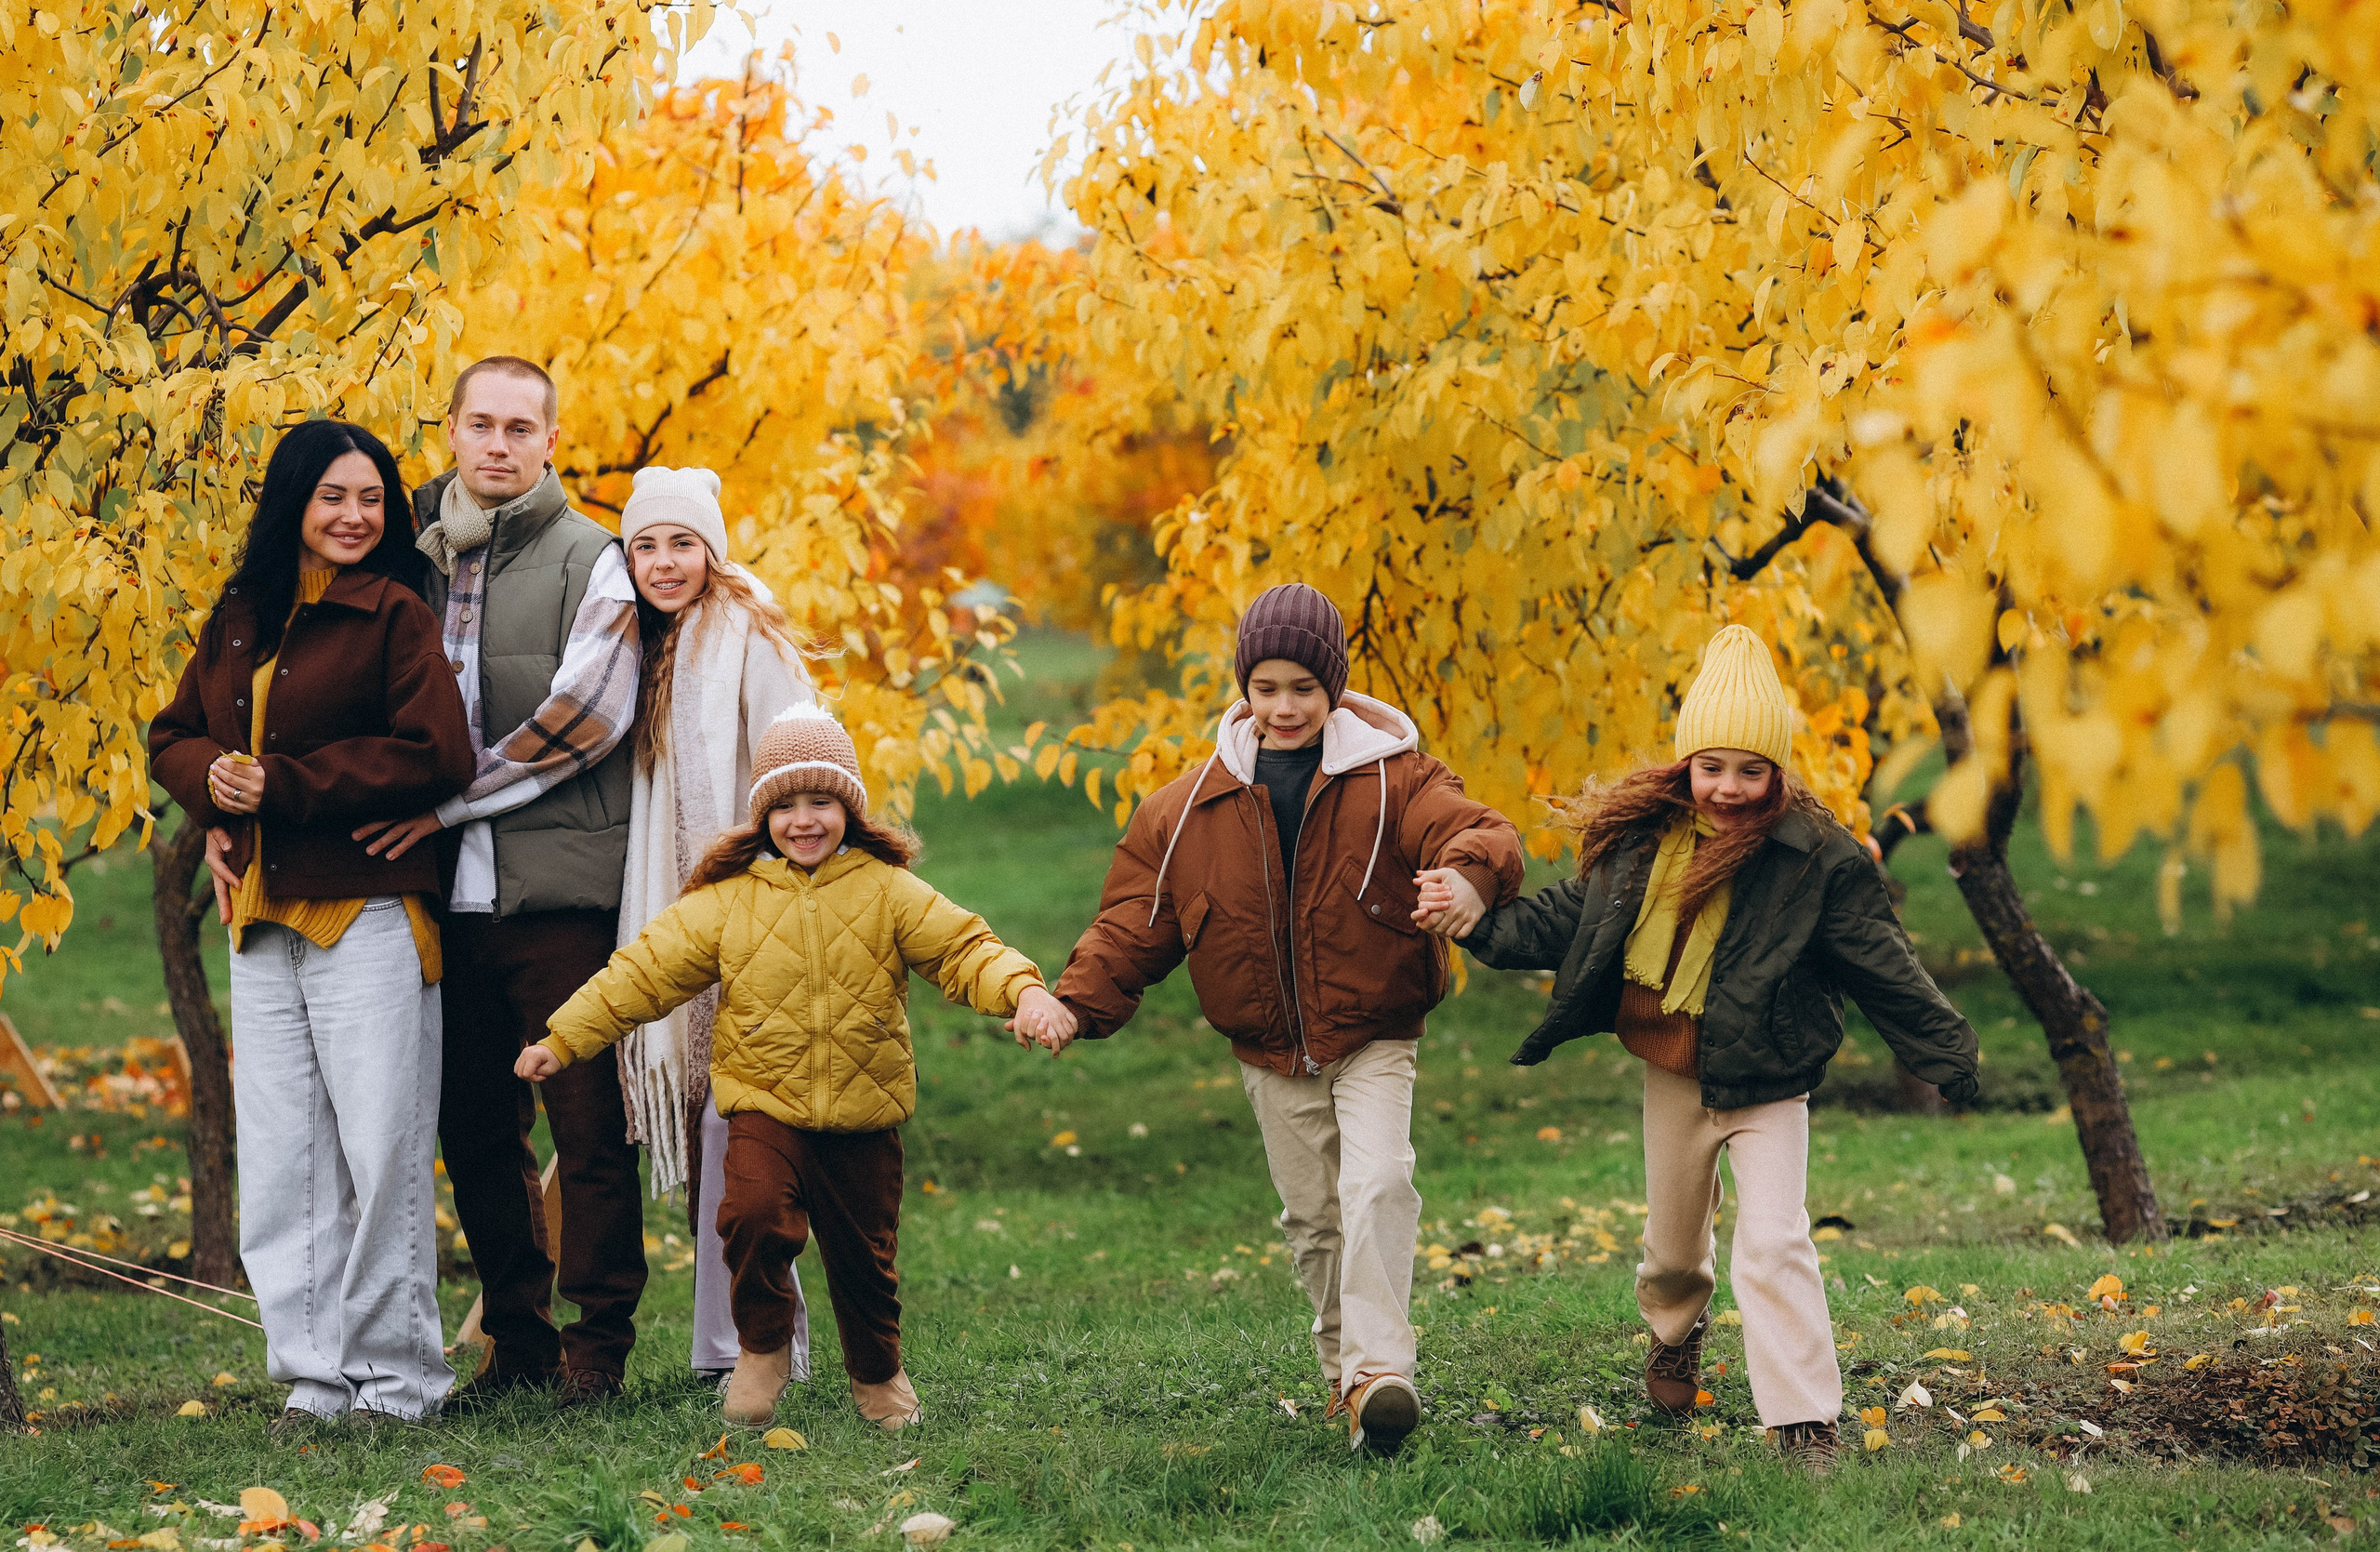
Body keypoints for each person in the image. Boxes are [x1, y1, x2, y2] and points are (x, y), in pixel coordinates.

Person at [1421, 624, 1980, 1472]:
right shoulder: (1643, 842)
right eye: (1712, 766)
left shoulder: (1815, 860)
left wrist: (1947, 1050)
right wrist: (1481, 923)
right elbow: (1568, 920)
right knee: (1673, 1251)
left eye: (1751, 771)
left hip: (1768, 1080)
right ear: (1687, 764)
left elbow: (1883, 963)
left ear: (1778, 772)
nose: (1728, 788)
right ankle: (1676, 1335)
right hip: (1672, 1074)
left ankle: (1803, 1420)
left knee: (1775, 1240)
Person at [1054, 583, 1524, 1455]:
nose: (1284, 707)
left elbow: (1479, 830)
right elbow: (1135, 920)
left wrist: (1467, 878)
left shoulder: (1394, 776)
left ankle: (1382, 1372)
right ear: (1244, 688)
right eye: (1266, 688)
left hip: (1373, 1029)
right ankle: (1346, 1376)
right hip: (1269, 1047)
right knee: (1314, 1220)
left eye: (1303, 689)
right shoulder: (1188, 805)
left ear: (1334, 688)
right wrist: (1073, 1003)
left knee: (1377, 1182)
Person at [517, 703, 1078, 1431]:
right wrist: (563, 1039)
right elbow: (641, 974)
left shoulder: (888, 891)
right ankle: (762, 1349)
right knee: (749, 1218)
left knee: (864, 1260)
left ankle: (877, 1373)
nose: (804, 820)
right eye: (784, 805)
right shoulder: (727, 903)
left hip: (864, 1112)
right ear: (762, 817)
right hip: (763, 1105)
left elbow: (964, 949)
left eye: (821, 801)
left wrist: (1026, 992)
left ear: (849, 807)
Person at [150, 419, 473, 1431]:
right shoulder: (241, 614)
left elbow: (438, 754)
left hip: (368, 913)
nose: (354, 516)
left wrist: (280, 785)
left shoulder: (397, 617)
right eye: (334, 496)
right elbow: (173, 734)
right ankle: (313, 1378)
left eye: (371, 498)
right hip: (258, 917)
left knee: (379, 1152)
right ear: (294, 502)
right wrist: (211, 787)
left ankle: (399, 1380)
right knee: (286, 1158)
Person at [353, 356, 647, 1409]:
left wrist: (435, 800)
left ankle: (596, 1348)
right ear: (451, 431)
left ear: (552, 443)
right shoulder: (406, 560)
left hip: (557, 896)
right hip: (437, 899)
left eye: (522, 429)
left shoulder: (592, 558)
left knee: (587, 1124)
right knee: (473, 1127)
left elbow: (586, 720)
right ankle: (515, 1344)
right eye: (481, 425)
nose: (499, 445)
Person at [612, 465, 816, 1388]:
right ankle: (723, 1345)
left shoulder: (747, 626)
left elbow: (794, 757)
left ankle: (764, 1343)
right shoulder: (649, 642)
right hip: (688, 919)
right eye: (645, 544)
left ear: (712, 549)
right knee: (710, 1126)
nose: (663, 561)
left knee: (750, 1127)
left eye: (681, 542)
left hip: (759, 907)